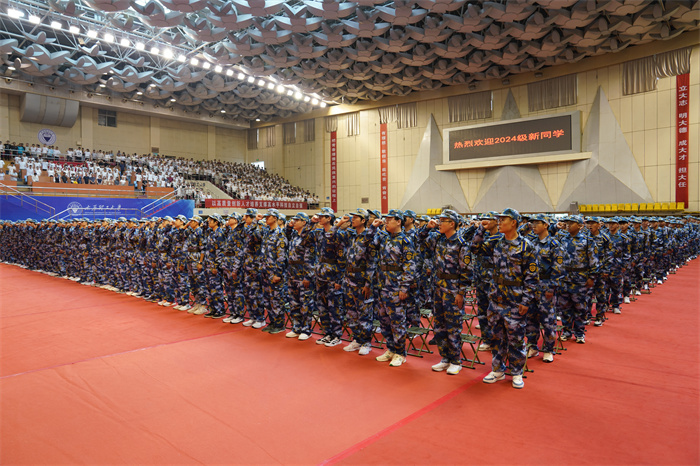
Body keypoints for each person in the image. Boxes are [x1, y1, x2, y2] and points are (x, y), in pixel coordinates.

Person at [471, 208, 538, 389]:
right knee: (496, 336)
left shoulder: (526, 246)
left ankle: (516, 372)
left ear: (514, 222)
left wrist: (526, 301)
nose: (499, 222)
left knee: (516, 338)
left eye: (503, 220)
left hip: (515, 299)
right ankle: (498, 369)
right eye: (499, 220)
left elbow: (532, 277)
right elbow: (475, 248)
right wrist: (481, 229)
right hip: (496, 297)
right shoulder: (496, 242)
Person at [418, 209, 472, 375]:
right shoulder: (437, 238)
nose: (439, 223)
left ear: (452, 223)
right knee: (439, 325)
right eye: (439, 220)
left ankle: (456, 360)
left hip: (453, 289)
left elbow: (466, 270)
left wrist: (461, 293)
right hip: (438, 287)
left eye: (443, 221)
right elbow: (419, 239)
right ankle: (445, 358)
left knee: (453, 325)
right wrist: (427, 227)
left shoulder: (461, 242)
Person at [369, 209, 417, 367]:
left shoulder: (405, 240)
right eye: (386, 219)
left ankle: (400, 353)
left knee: (397, 321)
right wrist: (373, 227)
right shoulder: (383, 238)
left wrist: (404, 287)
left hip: (396, 287)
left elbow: (409, 266)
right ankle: (390, 348)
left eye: (390, 219)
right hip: (382, 285)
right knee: (384, 320)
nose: (386, 221)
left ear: (398, 221)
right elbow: (368, 244)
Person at [525, 214, 564, 363]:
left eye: (537, 223)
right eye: (532, 223)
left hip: (546, 284)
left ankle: (548, 349)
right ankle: (532, 346)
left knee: (548, 319)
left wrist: (552, 287)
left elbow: (558, 268)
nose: (533, 226)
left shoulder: (554, 244)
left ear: (546, 225)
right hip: (532, 285)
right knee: (531, 318)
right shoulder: (531, 242)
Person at [336, 209, 376, 356]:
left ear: (363, 220)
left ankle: (366, 342)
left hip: (361, 280)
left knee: (364, 313)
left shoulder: (369, 237)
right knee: (351, 313)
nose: (352, 220)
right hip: (349, 279)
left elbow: (371, 262)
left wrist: (368, 284)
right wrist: (340, 223)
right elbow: (331, 235)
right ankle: (357, 339)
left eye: (356, 218)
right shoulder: (351, 235)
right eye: (352, 217)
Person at [557, 215, 599, 343]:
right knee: (565, 307)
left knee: (580, 307)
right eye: (567, 223)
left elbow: (593, 260)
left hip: (580, 279)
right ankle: (567, 331)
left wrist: (592, 277)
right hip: (565, 277)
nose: (568, 225)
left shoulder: (587, 241)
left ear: (580, 226)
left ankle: (579, 333)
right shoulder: (562, 239)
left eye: (572, 223)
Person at [284, 213, 316, 340]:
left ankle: (306, 329)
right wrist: (289, 225)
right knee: (294, 302)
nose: (294, 221)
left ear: (304, 222)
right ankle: (296, 327)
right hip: (292, 273)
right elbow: (286, 233)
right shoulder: (294, 235)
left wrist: (308, 276)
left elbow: (310, 258)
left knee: (305, 302)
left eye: (297, 220)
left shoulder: (308, 236)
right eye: (294, 219)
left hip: (303, 273)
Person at [259, 209, 287, 333]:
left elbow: (281, 256)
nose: (266, 219)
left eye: (268, 217)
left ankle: (279, 324)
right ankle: (272, 322)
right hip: (265, 271)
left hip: (274, 272)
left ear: (275, 218)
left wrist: (278, 273)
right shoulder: (267, 233)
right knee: (267, 299)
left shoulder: (280, 234)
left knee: (276, 299)